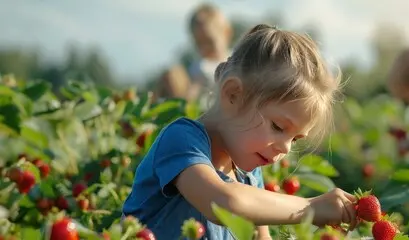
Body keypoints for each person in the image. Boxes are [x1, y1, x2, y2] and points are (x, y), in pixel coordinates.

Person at [122, 24, 358, 240]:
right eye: (278, 127)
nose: (285, 148)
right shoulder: (183, 140)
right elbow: (224, 202)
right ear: (233, 94)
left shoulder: (250, 176)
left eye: (295, 139)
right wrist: (310, 208)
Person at [155, 3, 232, 104]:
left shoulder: (236, 61)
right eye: (199, 43)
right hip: (202, 109)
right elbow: (193, 87)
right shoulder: (197, 67)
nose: (205, 48)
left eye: (209, 41)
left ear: (227, 33)